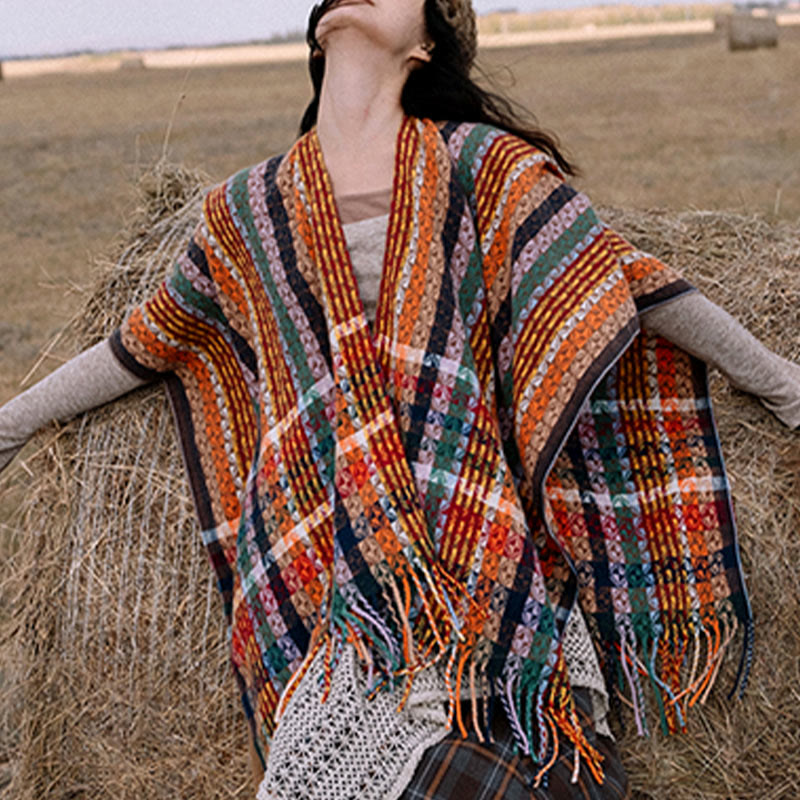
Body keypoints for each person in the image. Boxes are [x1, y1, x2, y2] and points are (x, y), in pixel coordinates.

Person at [1, 1, 799, 798]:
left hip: (485, 556)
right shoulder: (247, 211)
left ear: (425, 44)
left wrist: (782, 385)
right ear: (317, 39)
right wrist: (11, 423)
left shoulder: (485, 167)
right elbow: (143, 343)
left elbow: (624, 283)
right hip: (332, 580)